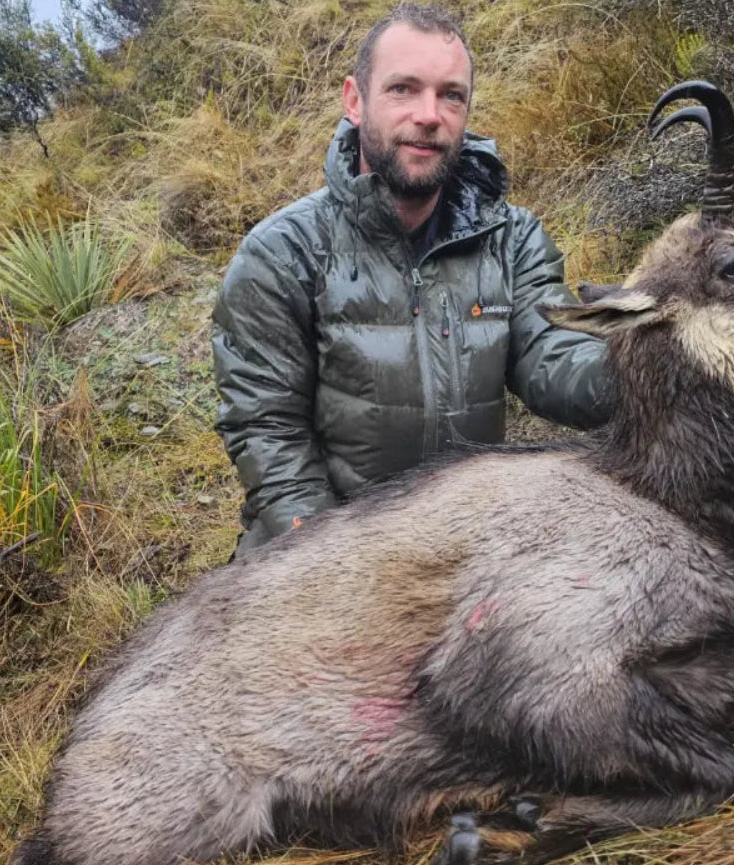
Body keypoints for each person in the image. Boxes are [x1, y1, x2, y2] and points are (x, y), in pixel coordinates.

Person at [212, 2, 615, 552]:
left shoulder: (512, 239)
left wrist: (651, 369)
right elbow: (267, 431)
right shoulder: (281, 254)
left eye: (451, 95)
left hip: (466, 545)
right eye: (403, 89)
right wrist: (334, 559)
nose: (430, 115)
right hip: (321, 549)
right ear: (355, 100)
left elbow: (552, 355)